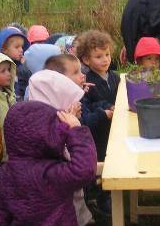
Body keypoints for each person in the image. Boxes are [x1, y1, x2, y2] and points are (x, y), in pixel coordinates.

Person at [0, 101, 97, 226]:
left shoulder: (6, 173)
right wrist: (76, 130)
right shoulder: (50, 173)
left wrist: (64, 128)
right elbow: (85, 169)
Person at [27, 69, 96, 225]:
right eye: (72, 100)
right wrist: (74, 130)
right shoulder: (52, 132)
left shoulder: (34, 120)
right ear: (58, 103)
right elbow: (82, 168)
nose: (79, 105)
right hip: (65, 209)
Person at [75, 30, 120, 215]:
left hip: (114, 127)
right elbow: (92, 106)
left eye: (107, 54)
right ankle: (100, 199)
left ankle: (111, 192)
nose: (105, 60)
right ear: (86, 60)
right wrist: (106, 111)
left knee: (114, 158)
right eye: (99, 56)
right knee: (101, 164)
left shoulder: (115, 77)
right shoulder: (89, 83)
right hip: (98, 132)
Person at [0, 27, 30, 102]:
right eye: (17, 47)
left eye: (22, 47)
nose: (21, 50)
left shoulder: (21, 67)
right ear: (4, 49)